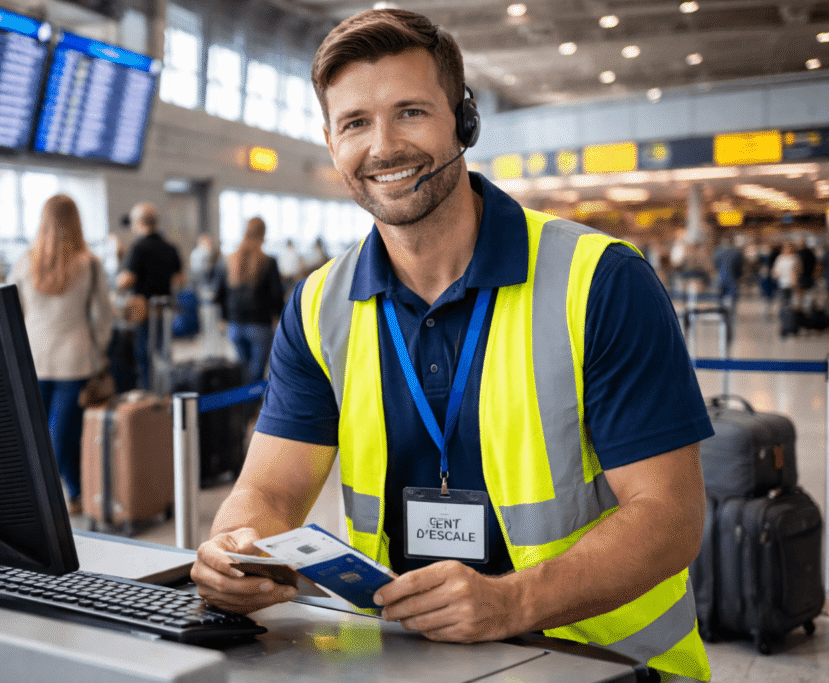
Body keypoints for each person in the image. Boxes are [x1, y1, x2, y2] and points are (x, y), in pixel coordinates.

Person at [190, 9, 712, 682]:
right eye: (355, 123)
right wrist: (237, 548)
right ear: (329, 141)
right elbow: (268, 487)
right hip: (406, 652)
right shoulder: (320, 305)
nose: (382, 146)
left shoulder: (601, 281)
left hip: (602, 659)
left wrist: (512, 601)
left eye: (410, 112)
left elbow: (670, 514)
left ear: (463, 122)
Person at [7, 195, 115, 513]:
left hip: (33, 356)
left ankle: (73, 493)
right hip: (75, 356)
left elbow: (14, 310)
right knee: (64, 430)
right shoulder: (90, 263)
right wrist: (99, 349)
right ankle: (61, 494)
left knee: (39, 428)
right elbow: (103, 316)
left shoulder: (25, 261)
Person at [116, 202, 184, 389]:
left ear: (138, 223)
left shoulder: (138, 247)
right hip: (165, 308)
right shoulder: (170, 247)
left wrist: (118, 271)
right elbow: (180, 280)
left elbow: (127, 280)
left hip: (144, 309)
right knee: (164, 351)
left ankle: (148, 390)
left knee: (144, 353)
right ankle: (167, 389)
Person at [215, 217, 285, 384]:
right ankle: (250, 408)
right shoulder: (268, 261)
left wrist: (223, 318)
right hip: (260, 325)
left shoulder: (229, 260)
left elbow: (218, 294)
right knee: (256, 373)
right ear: (263, 234)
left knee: (242, 370)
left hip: (234, 325)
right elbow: (277, 294)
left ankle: (243, 407)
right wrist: (278, 318)